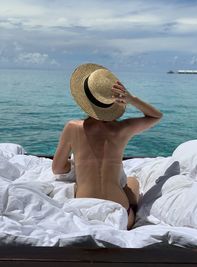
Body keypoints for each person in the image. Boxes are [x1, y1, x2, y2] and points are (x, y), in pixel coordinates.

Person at [52, 63, 163, 230]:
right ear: (113, 103)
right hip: (120, 215)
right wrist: (131, 99)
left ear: (85, 100)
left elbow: (58, 169)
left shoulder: (72, 127)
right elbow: (156, 116)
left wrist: (74, 165)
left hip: (84, 210)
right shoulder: (123, 129)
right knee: (132, 182)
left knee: (80, 186)